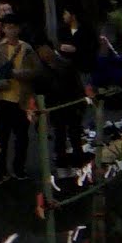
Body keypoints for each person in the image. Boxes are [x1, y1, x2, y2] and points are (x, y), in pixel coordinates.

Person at [0, 14, 40, 183]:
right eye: (8, 27)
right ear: (3, 29)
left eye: (14, 27)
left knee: (22, 137)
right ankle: (0, 170)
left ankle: (19, 168)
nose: (11, 30)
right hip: (4, 98)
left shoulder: (27, 48)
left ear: (19, 29)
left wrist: (19, 74)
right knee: (2, 138)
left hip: (23, 99)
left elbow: (36, 70)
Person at [35, 41, 86, 178]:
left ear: (51, 49)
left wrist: (81, 105)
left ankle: (79, 166)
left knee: (75, 136)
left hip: (71, 104)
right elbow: (39, 90)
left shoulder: (66, 64)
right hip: (55, 107)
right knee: (60, 137)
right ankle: (62, 167)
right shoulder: (40, 69)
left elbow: (78, 86)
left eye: (45, 50)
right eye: (40, 52)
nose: (44, 54)